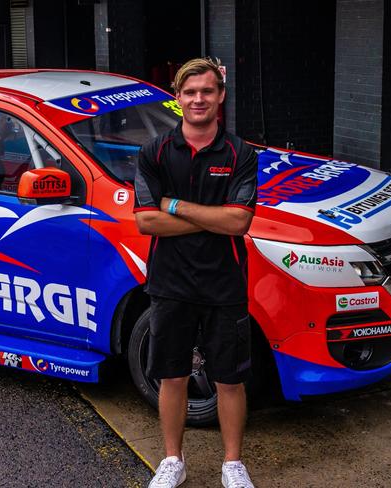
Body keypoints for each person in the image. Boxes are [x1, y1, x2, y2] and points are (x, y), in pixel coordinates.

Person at [133, 58, 258, 488]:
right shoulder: (155, 152)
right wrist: (213, 216)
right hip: (171, 283)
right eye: (189, 92)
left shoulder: (241, 154)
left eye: (207, 91)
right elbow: (145, 222)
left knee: (229, 380)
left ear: (221, 96)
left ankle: (232, 464)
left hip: (224, 284)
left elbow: (239, 223)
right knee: (172, 375)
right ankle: (172, 460)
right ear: (177, 97)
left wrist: (173, 204)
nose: (198, 99)